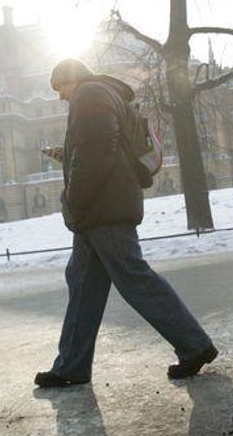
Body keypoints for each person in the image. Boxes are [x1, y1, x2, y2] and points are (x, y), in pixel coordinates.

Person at [34, 58, 217, 388]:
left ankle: (195, 344)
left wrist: (73, 200)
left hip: (103, 208)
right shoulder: (104, 94)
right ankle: (71, 366)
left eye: (60, 87)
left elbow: (96, 155)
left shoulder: (89, 94)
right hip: (102, 208)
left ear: (73, 79)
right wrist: (68, 154)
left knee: (135, 278)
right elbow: (100, 147)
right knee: (83, 285)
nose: (60, 96)